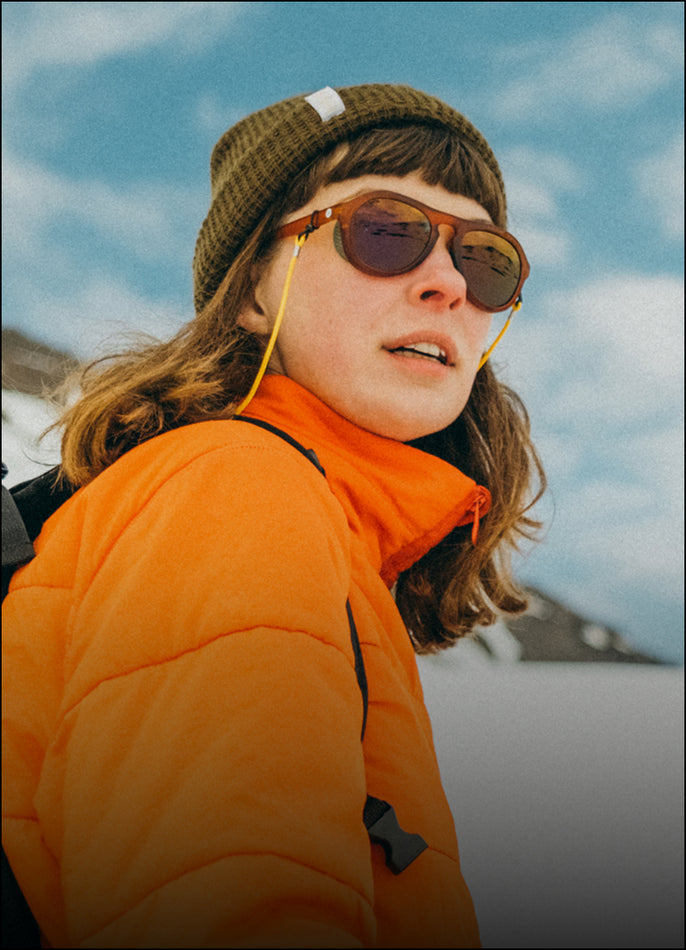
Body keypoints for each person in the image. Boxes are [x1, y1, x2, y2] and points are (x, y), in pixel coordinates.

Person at [2, 83, 545, 948]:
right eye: (386, 230)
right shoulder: (238, 484)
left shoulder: (287, 509)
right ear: (254, 289)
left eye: (487, 261)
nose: (448, 284)